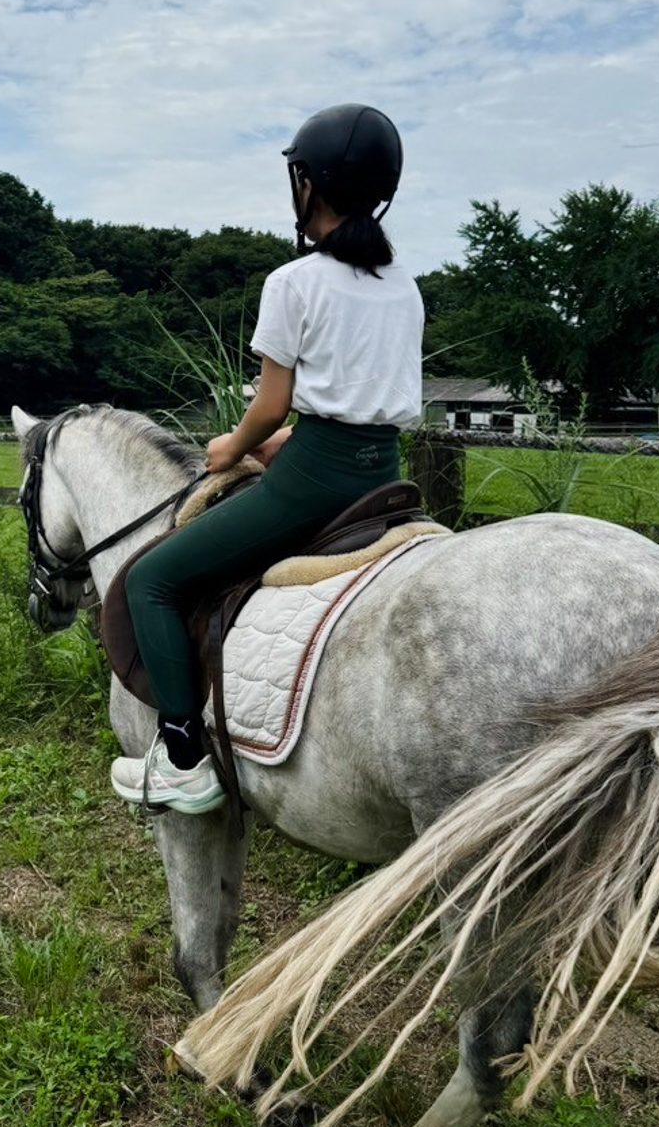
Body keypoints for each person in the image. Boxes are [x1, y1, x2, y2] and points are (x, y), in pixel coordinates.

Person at [111, 103, 425, 812]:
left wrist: (235, 443)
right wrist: (293, 437)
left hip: (313, 484)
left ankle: (185, 755)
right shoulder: (403, 287)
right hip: (381, 475)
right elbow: (355, 405)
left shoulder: (293, 282)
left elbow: (272, 404)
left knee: (153, 581)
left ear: (308, 184)